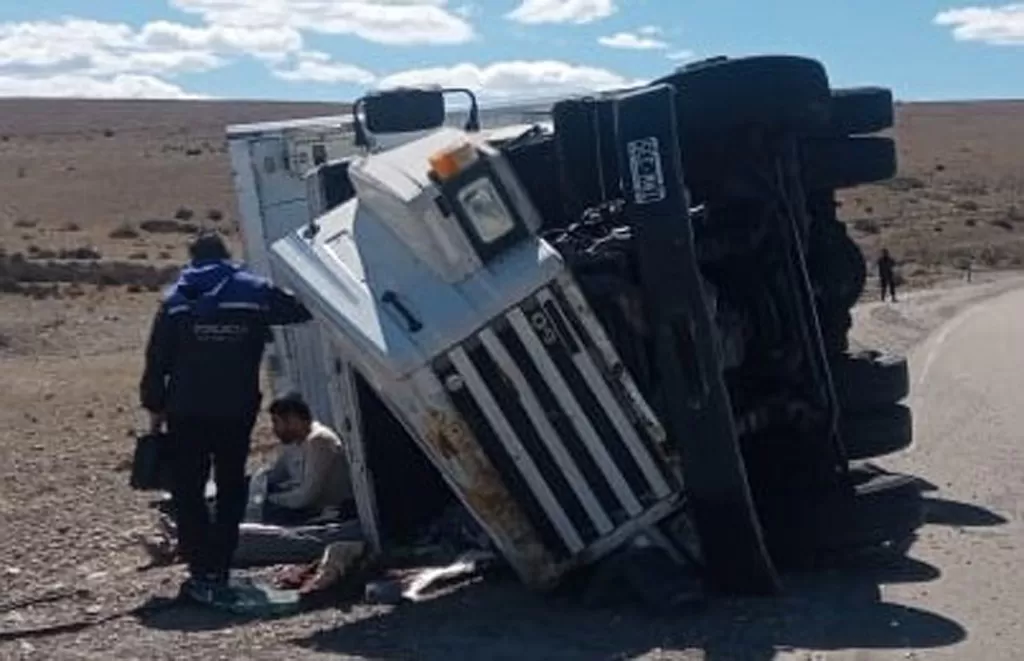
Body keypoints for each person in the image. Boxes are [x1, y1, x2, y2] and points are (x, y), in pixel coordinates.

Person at [139, 231, 313, 603]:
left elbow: (157, 360)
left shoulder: (175, 299)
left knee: (188, 488)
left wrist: (155, 409)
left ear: (193, 258)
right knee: (231, 483)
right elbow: (299, 311)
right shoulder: (253, 290)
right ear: (225, 256)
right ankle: (221, 563)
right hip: (236, 410)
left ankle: (199, 566)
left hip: (186, 410)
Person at [256, 393, 354, 525]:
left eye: (276, 422)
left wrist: (271, 500)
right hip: (310, 511)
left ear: (292, 420)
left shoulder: (319, 441)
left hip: (333, 513)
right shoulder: (293, 444)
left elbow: (306, 496)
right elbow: (275, 476)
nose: (274, 429)